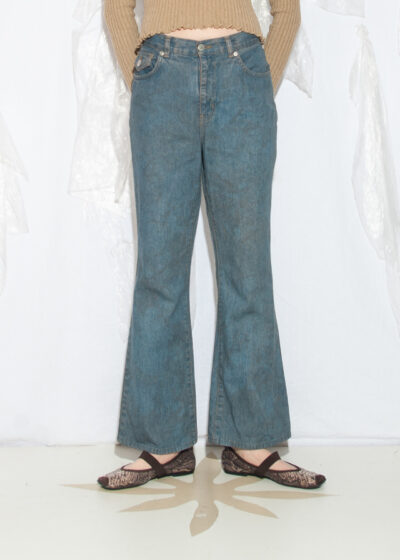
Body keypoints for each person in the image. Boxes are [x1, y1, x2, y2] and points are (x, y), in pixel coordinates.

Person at [97, 0, 327, 491]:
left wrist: (259, 80)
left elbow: (287, 11)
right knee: (159, 273)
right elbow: (117, 7)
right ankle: (162, 442)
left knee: (248, 270)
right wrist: (144, 79)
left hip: (242, 72)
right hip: (160, 76)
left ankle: (253, 441)